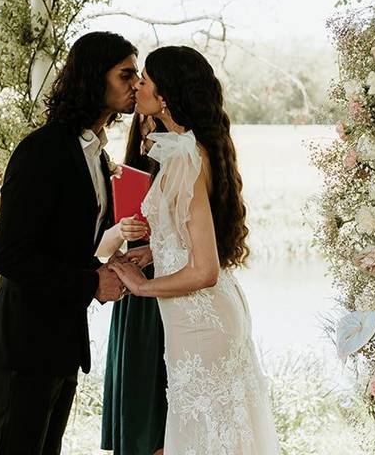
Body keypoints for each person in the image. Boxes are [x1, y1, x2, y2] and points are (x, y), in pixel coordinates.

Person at [0, 31, 139, 455]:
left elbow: (68, 243)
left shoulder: (98, 155)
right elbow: (8, 255)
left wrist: (113, 263)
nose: (135, 84)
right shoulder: (41, 151)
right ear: (93, 78)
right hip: (23, 344)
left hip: (62, 342)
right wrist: (90, 284)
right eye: (126, 75)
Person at [109, 45, 281, 454]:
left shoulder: (187, 158)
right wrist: (156, 252)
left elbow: (205, 270)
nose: (139, 86)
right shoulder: (188, 149)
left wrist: (140, 285)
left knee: (206, 438)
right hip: (198, 320)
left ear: (165, 95)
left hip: (201, 322)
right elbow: (191, 234)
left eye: (146, 80)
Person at [98, 114, 168, 455]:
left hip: (172, 291)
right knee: (139, 405)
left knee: (167, 409)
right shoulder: (123, 175)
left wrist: (156, 249)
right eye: (142, 124)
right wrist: (118, 232)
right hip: (135, 301)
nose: (149, 131)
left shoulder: (189, 168)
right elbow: (99, 249)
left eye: (156, 123)